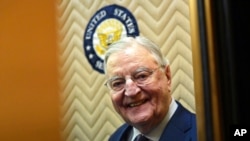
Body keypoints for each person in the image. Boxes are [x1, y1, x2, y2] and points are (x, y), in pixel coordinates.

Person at [103, 36, 197, 141]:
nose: (131, 92)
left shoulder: (206, 134)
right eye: (118, 83)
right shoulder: (116, 138)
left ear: (167, 76)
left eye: (141, 76)